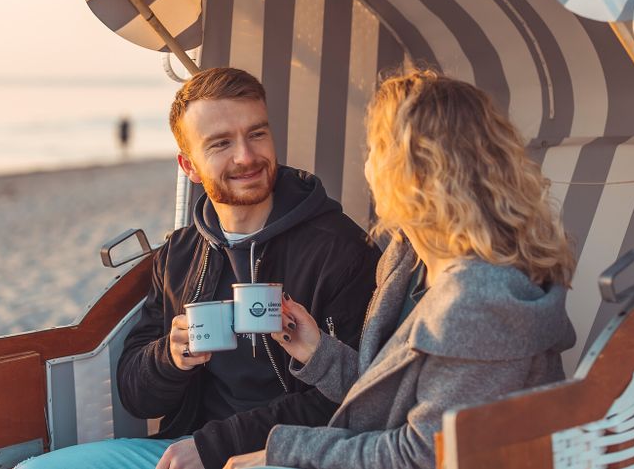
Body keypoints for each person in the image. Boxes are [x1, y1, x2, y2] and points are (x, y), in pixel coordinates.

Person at [17, 67, 381, 469]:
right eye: (221, 143)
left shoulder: (339, 249)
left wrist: (213, 447)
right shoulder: (181, 253)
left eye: (256, 134)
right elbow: (136, 396)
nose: (246, 156)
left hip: (292, 453)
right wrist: (170, 357)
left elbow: (349, 399)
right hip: (188, 445)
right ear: (188, 165)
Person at [224, 68, 577, 469]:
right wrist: (317, 351)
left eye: (375, 149)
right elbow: (390, 399)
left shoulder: (481, 300)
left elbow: (422, 456)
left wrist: (285, 451)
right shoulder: (409, 262)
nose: (367, 165)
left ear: (410, 171)